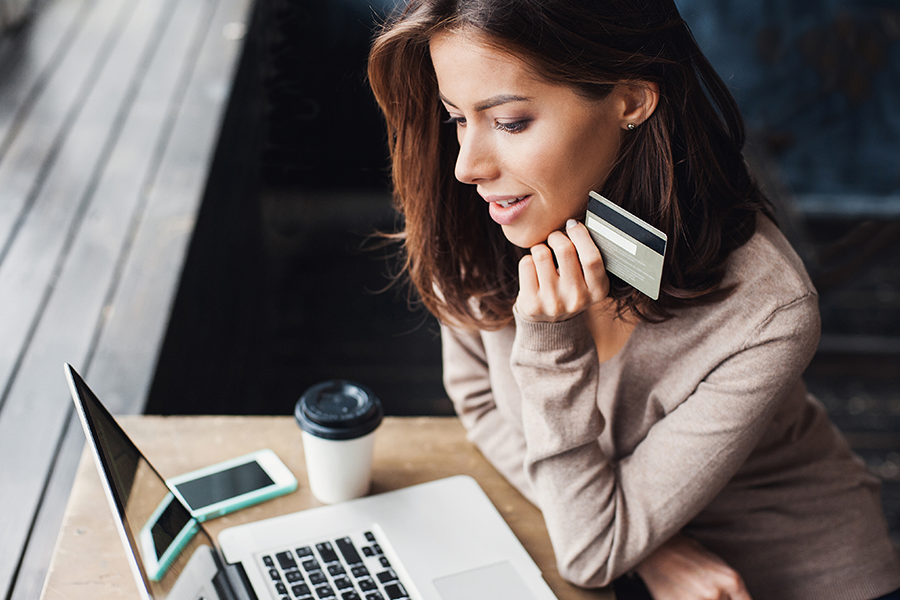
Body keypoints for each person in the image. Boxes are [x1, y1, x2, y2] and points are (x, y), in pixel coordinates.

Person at [366, 0, 900, 598]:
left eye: (511, 122)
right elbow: (481, 405)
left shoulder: (769, 308)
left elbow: (590, 554)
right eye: (456, 118)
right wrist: (651, 551)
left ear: (630, 100)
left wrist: (549, 347)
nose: (468, 166)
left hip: (781, 575)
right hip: (622, 559)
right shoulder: (484, 214)